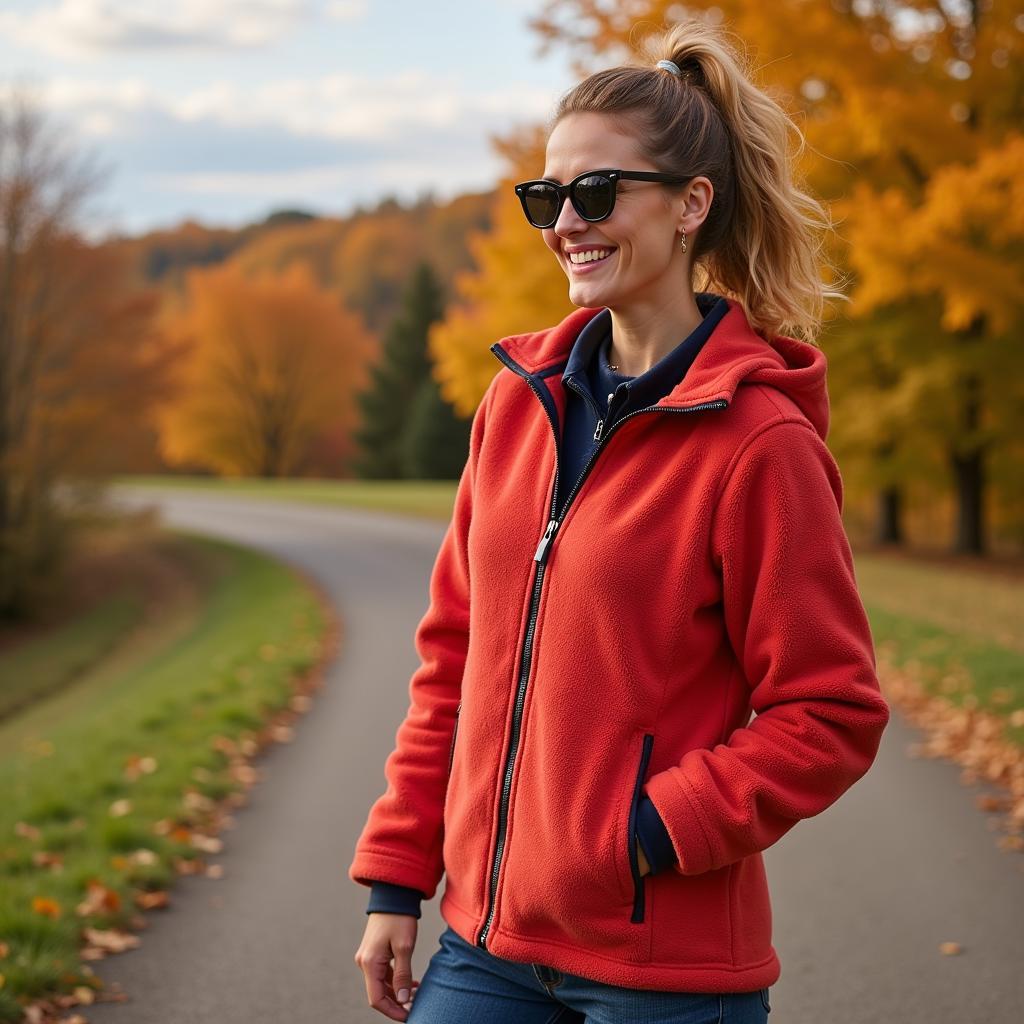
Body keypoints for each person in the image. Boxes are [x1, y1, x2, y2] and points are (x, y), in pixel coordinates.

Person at [350, 15, 891, 1024]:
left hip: (664, 977)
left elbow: (830, 711)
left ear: (692, 205)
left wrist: (645, 831)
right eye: (546, 196)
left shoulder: (759, 444)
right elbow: (452, 659)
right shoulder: (516, 406)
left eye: (595, 192)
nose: (565, 221)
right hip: (484, 944)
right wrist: (396, 877)